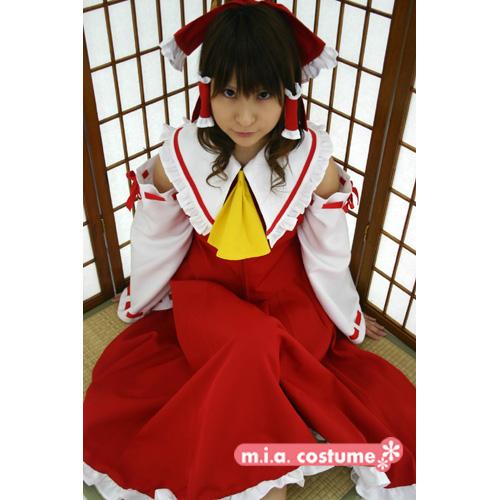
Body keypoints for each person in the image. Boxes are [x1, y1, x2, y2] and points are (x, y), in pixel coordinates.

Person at [83, 2, 416, 499]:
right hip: (208, 295)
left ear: (287, 91)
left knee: (270, 345)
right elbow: (158, 236)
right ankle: (262, 478)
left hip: (290, 300)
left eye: (262, 94)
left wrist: (347, 317)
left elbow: (326, 252)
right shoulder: (179, 154)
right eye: (229, 92)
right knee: (251, 343)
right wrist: (140, 297)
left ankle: (256, 462)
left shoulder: (313, 161)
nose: (244, 115)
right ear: (207, 87)